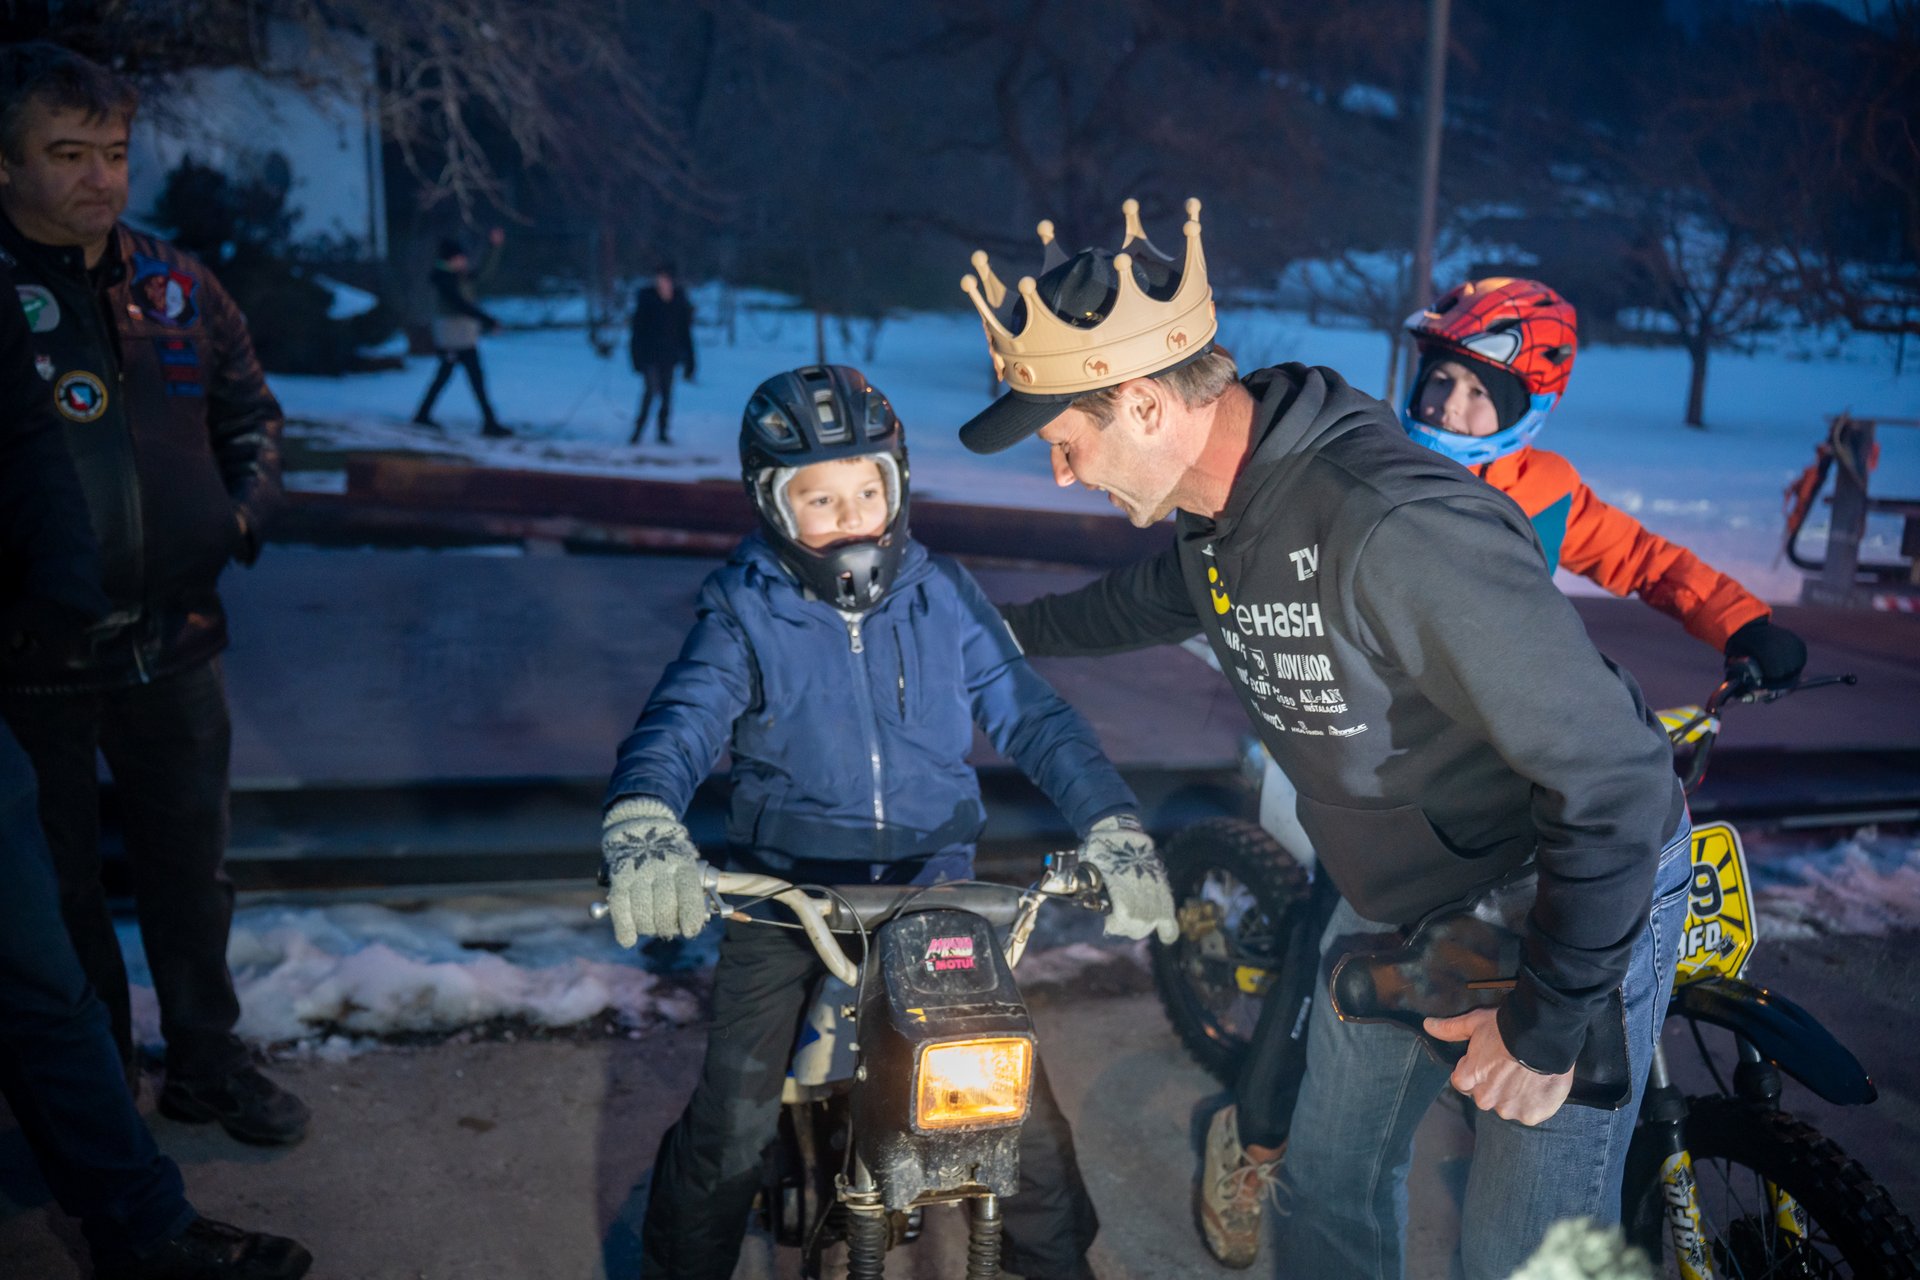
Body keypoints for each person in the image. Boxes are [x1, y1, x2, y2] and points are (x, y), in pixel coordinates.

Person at [961, 198, 1691, 1279]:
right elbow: (1144, 601)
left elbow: (1617, 779)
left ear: (1146, 405)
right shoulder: (1224, 511)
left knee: (1519, 1255)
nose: (1064, 472)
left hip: (1558, 884)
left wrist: (1551, 1018)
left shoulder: (1394, 527)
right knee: (1325, 1185)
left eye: (1066, 442)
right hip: (1395, 892)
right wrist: (983, 635)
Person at [1196, 275, 1811, 1267]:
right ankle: (1255, 1142)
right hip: (1389, 789)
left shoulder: (1546, 488)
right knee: (1326, 956)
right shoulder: (1368, 466)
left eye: (1481, 392)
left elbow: (1648, 560)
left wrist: (1743, 622)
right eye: (1440, 381)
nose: (1449, 406)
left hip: (1508, 779)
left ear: (1531, 407)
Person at [600, 363, 1179, 1280]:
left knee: (1016, 1111)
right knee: (733, 1121)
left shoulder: (942, 593)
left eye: (867, 490)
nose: (852, 519)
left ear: (898, 486)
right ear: (773, 506)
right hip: (785, 890)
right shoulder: (743, 606)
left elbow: (1033, 715)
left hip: (934, 887)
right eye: (819, 499)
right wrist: (643, 820)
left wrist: (1113, 824)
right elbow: (682, 719)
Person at [0, 42, 309, 1147]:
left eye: (115, 152)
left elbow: (253, 415)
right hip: (32, 659)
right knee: (61, 888)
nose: (100, 178)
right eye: (67, 154)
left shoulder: (176, 285)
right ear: (5, 163)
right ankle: (97, 1088)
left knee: (191, 874)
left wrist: (238, 520)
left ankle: (206, 1064)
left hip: (176, 640)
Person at [412, 228, 511, 438]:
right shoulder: (444, 279)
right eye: (460, 257)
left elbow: (482, 274)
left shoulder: (456, 276)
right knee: (468, 377)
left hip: (461, 335)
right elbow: (461, 305)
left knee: (456, 376)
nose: (464, 261)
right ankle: (489, 422)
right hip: (453, 336)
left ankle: (424, 414)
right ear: (451, 259)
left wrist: (494, 248)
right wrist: (489, 321)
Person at [627, 261, 695, 444]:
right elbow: (637, 332)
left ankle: (662, 433)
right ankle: (638, 431)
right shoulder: (647, 299)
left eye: (667, 278)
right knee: (650, 391)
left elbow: (685, 333)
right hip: (649, 356)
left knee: (666, 394)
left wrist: (690, 360)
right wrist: (635, 357)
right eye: (661, 278)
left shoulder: (679, 301)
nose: (664, 282)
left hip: (669, 357)